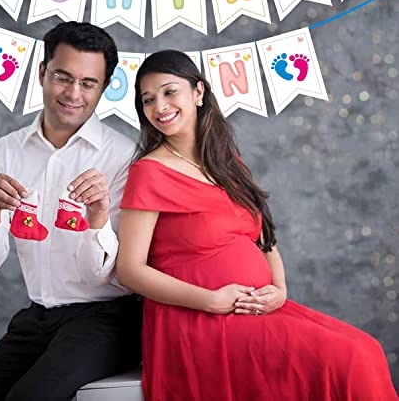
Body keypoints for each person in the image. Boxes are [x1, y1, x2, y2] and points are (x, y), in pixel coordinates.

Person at [116, 50, 398, 401]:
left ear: (198, 92)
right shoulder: (148, 172)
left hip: (255, 310)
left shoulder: (228, 164)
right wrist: (210, 301)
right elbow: (130, 270)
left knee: (365, 349)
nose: (160, 106)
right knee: (350, 357)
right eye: (148, 99)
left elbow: (264, 240)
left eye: (169, 92)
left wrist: (279, 290)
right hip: (196, 319)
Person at [0, 22, 142, 401]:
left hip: (107, 319)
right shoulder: (6, 151)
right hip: (37, 316)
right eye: (63, 77)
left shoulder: (124, 156)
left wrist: (98, 219)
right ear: (43, 72)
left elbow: (105, 275)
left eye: (88, 83)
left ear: (104, 87)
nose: (73, 93)